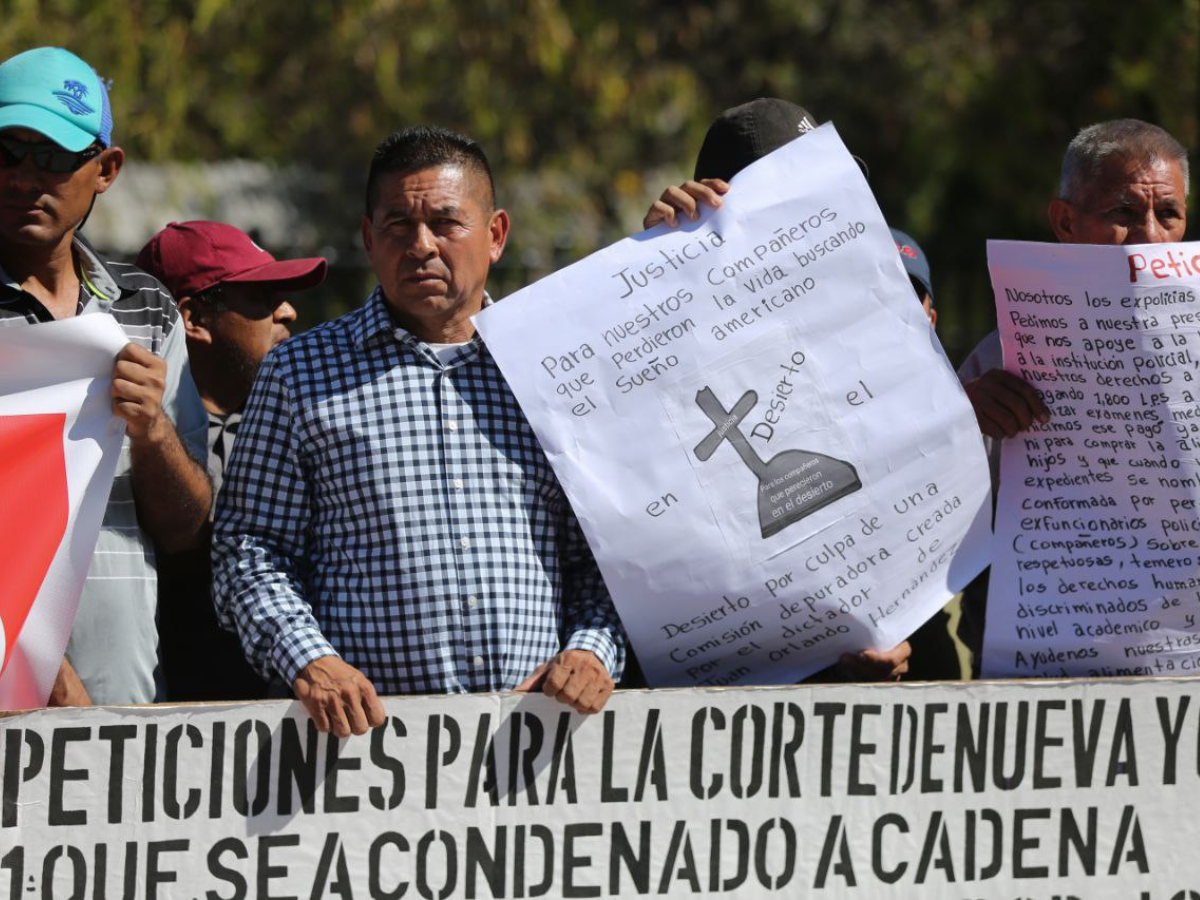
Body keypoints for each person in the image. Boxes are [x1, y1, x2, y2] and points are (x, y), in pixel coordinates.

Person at [212, 126, 625, 736]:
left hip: (538, 747)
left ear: (496, 235)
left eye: (446, 223)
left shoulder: (554, 368)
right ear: (368, 237)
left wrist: (592, 650)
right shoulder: (301, 373)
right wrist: (311, 660)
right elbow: (248, 551)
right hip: (360, 756)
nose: (422, 245)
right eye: (398, 224)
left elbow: (607, 554)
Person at [644, 98, 911, 681]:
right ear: (717, 199)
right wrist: (654, 270)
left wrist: (905, 622)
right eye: (796, 183)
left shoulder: (879, 305)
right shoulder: (663, 315)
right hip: (735, 702)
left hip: (896, 699)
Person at [0, 47, 210, 706]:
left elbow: (186, 531)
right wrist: (28, 657)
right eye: (8, 150)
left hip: (125, 705)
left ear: (106, 169)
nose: (22, 177)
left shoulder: (146, 309)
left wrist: (152, 432)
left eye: (55, 157)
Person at [955, 118, 1189, 662]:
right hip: (1043, 666)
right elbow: (920, 498)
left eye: (1168, 214)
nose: (1150, 236)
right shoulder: (1005, 355)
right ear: (1065, 221)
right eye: (1124, 214)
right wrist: (960, 417)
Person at [135, 221, 327, 701]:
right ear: (193, 318)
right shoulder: (122, 442)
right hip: (159, 720)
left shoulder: (302, 433)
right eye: (261, 298)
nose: (288, 311)